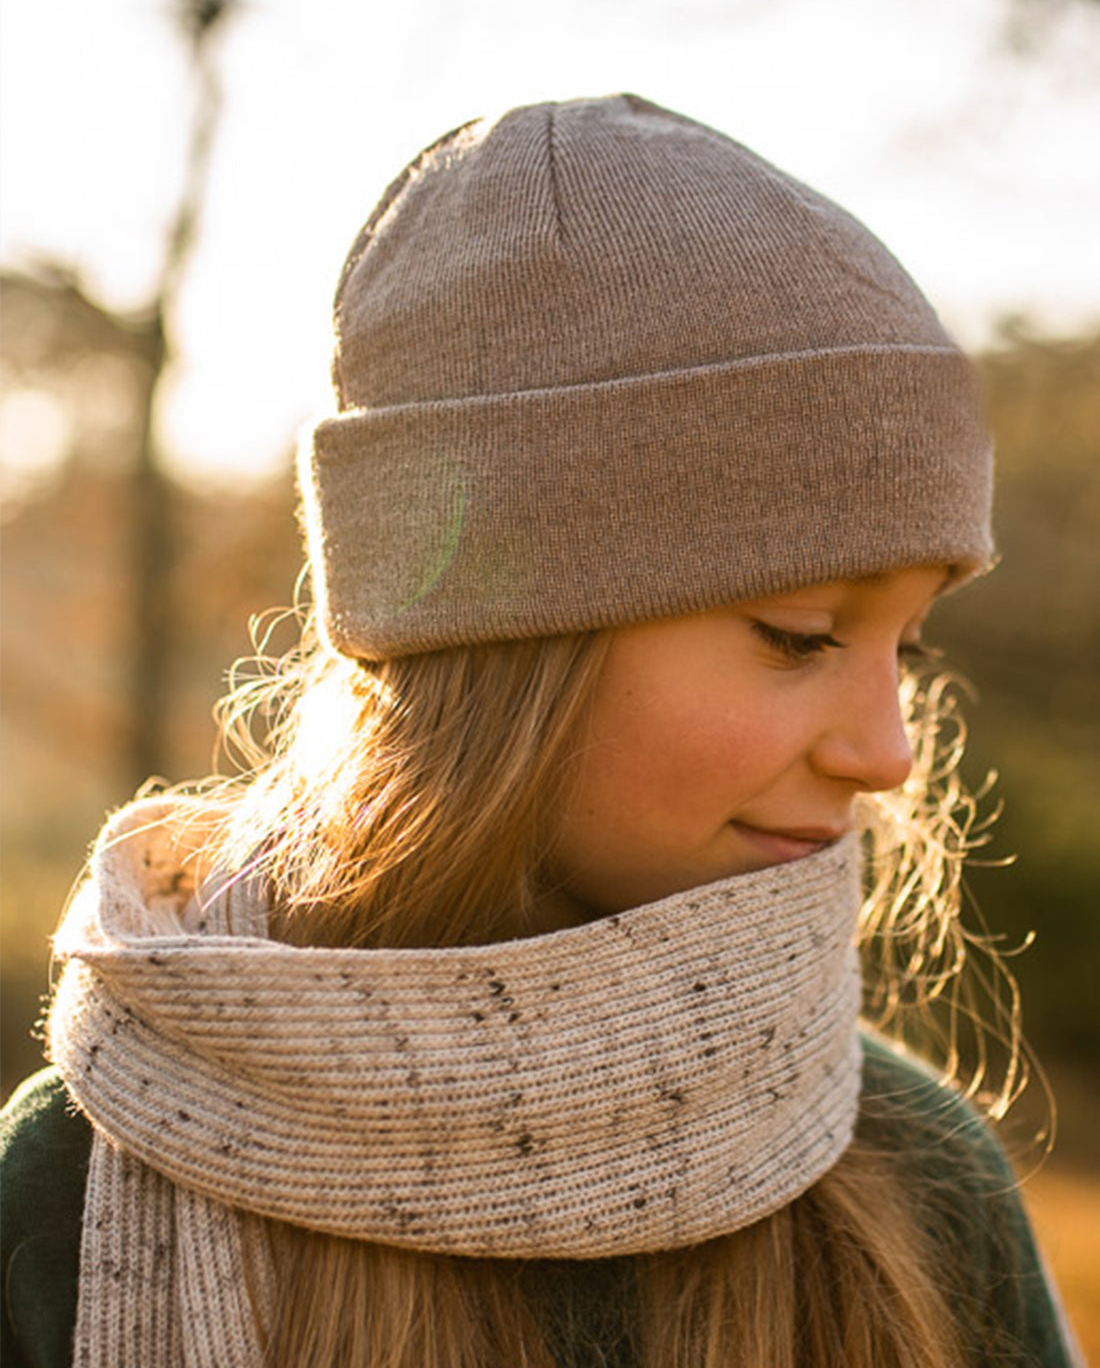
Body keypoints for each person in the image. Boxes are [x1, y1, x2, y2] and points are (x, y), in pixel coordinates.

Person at [0, 94, 1083, 1368]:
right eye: (799, 635)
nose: (887, 755)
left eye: (908, 648)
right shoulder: (83, 1172)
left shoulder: (909, 1169)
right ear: (501, 648)